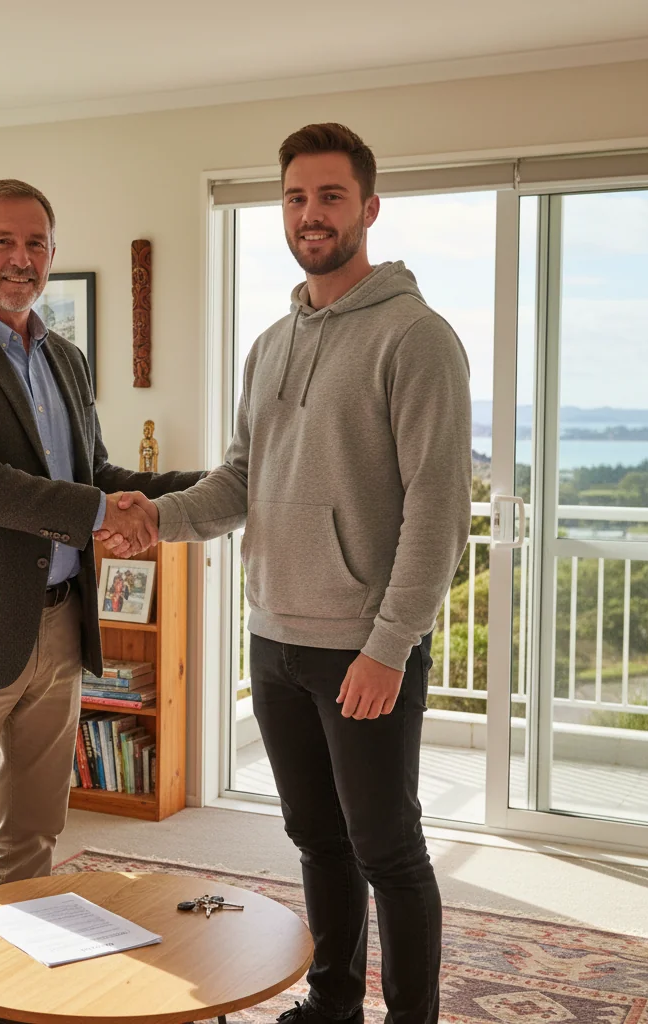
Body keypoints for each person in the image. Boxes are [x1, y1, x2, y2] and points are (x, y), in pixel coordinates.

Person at [99, 124, 472, 1024]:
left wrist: (390, 646)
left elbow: (439, 511)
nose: (312, 214)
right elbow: (237, 484)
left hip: (362, 652)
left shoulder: (417, 339)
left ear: (369, 209)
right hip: (273, 638)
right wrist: (158, 521)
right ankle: (333, 1000)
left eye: (331, 196)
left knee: (388, 847)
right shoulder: (269, 343)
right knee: (316, 840)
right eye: (298, 198)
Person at [0, 178, 202, 1024]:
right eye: (2, 243)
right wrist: (103, 510)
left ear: (51, 255)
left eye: (35, 245)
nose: (20, 260)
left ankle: (9, 1003)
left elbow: (94, 478)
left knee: (30, 836)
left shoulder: (64, 356)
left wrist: (203, 494)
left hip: (60, 624)